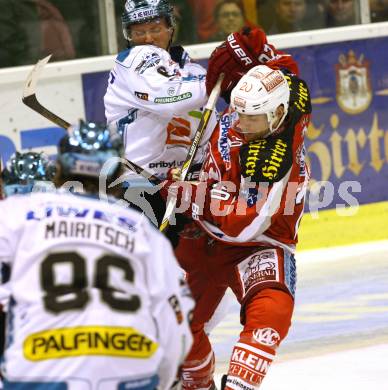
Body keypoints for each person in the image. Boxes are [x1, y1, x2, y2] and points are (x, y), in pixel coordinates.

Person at [161, 28, 311, 389]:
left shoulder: (276, 161)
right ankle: (197, 382)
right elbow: (285, 72)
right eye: (238, 112)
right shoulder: (257, 110)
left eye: (251, 118)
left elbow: (241, 223)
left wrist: (187, 193)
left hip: (257, 245)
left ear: (277, 116)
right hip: (204, 238)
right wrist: (249, 53)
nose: (240, 123)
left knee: (272, 311)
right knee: (167, 313)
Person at [0, 121, 194, 389]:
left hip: (41, 367)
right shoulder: (141, 230)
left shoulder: (15, 215)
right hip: (128, 368)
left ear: (59, 167)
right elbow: (176, 322)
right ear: (117, 170)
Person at [104, 0, 217, 182]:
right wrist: (219, 78)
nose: (148, 39)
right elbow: (170, 98)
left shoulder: (190, 69)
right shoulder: (133, 60)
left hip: (185, 181)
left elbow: (209, 128)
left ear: (170, 29)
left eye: (155, 30)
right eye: (139, 32)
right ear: (129, 35)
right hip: (139, 185)